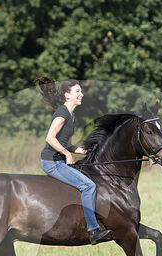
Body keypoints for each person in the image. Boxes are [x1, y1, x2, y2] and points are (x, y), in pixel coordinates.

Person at [35, 77, 112, 245]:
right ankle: (93, 231)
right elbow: (50, 138)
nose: (81, 94)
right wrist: (66, 154)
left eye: (81, 91)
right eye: (78, 92)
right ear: (67, 95)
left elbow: (67, 144)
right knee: (88, 185)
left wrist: (85, 151)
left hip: (59, 161)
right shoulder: (62, 113)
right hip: (52, 162)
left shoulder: (71, 115)